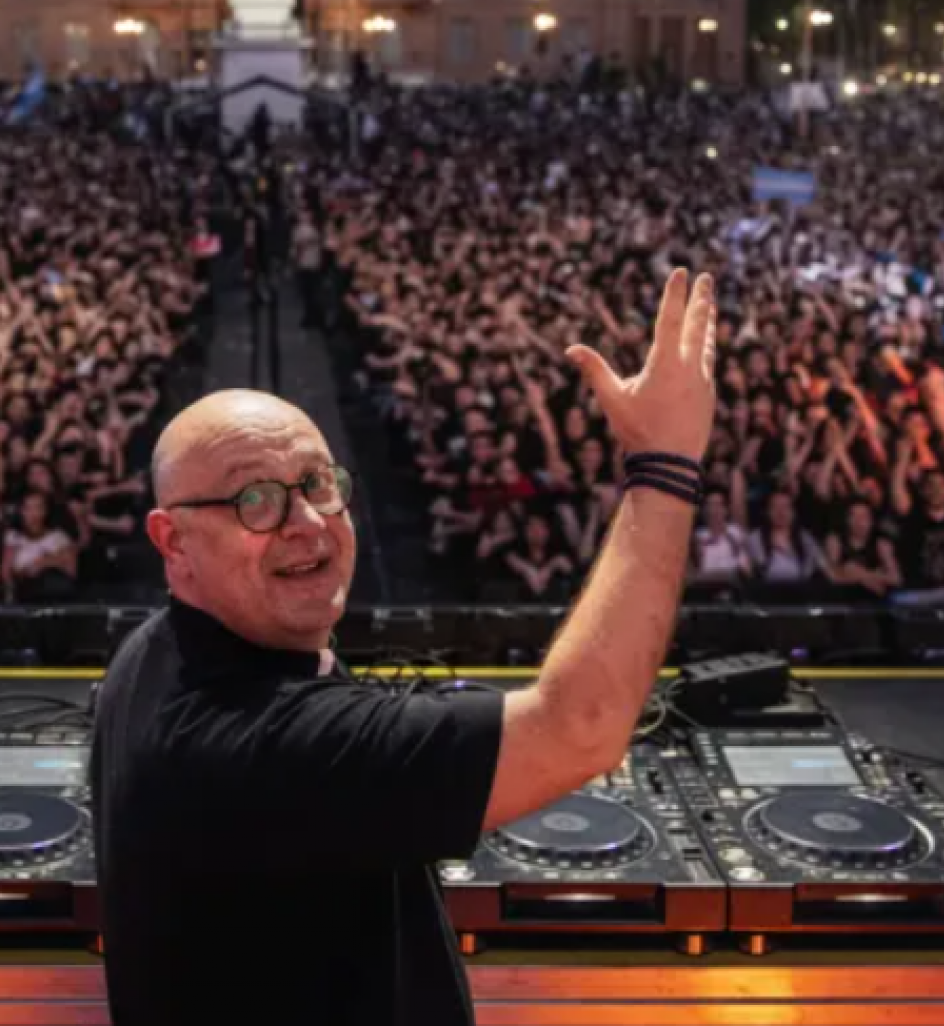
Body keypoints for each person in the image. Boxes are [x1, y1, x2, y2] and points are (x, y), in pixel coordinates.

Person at [91, 268, 717, 1026]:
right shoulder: (265, 743)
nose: (310, 523)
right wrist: (665, 465)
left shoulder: (145, 656)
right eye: (256, 500)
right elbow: (580, 727)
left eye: (318, 482)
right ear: (171, 539)